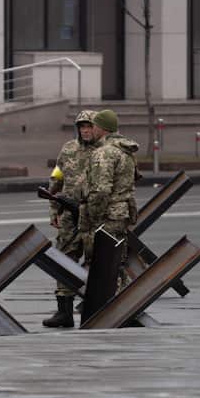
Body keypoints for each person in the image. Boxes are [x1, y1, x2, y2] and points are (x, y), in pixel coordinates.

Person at [41, 110, 97, 328]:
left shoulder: (104, 151)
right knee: (64, 260)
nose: (85, 130)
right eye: (82, 126)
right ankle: (63, 311)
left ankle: (93, 305)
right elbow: (57, 179)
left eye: (89, 126)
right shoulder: (68, 149)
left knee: (96, 260)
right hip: (68, 216)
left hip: (92, 215)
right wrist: (54, 209)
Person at [80, 108, 139, 301]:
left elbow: (101, 190)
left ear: (101, 128)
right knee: (117, 263)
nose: (92, 129)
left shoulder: (104, 153)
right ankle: (124, 303)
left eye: (94, 125)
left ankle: (109, 305)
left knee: (104, 265)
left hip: (107, 216)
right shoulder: (125, 150)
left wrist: (93, 215)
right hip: (121, 213)